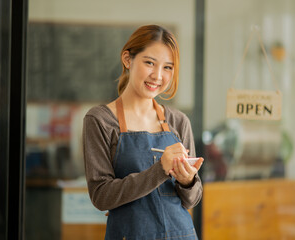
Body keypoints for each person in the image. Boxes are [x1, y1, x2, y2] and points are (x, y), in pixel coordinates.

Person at [83, 24, 204, 240]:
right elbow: (101, 196)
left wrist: (188, 181)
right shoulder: (100, 120)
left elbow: (192, 200)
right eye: (149, 63)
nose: (158, 75)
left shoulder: (178, 121)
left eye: (168, 67)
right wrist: (160, 170)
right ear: (128, 59)